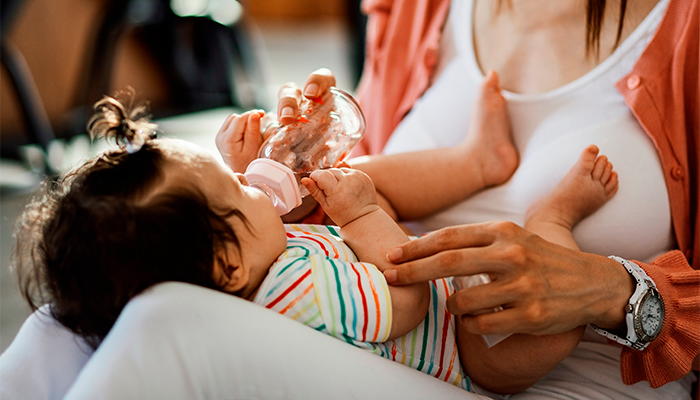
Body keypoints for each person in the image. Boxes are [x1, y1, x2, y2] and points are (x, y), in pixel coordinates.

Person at [14, 74, 616, 395]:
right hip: (464, 356)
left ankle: (478, 161)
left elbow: (253, 217)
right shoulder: (292, 288)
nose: (250, 183)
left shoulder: (247, 265)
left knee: (358, 173)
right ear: (225, 266)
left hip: (435, 294)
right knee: (552, 338)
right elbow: (406, 302)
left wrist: (265, 175)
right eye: (235, 190)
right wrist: (359, 218)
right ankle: (553, 220)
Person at [262, 0, 699, 397]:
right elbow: (357, 202)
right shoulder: (418, 10)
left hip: (544, 369)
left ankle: (549, 217)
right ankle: (479, 165)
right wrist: (292, 177)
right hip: (395, 338)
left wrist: (612, 293)